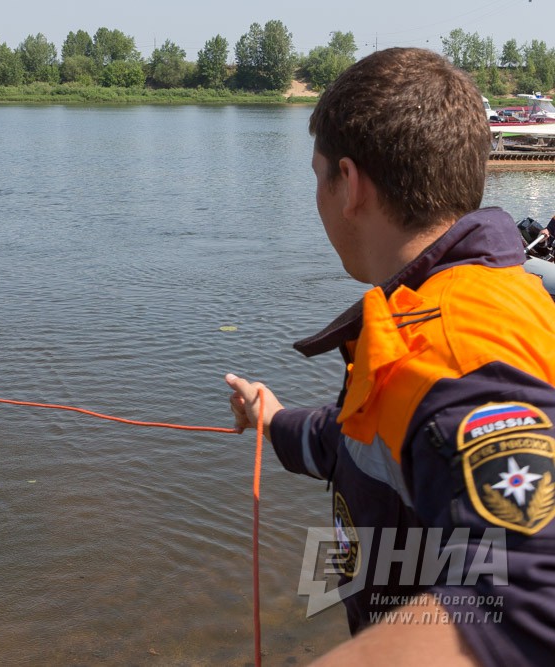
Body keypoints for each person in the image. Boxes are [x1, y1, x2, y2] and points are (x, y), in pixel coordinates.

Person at [226, 47, 555, 666]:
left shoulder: (453, 349)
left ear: (350, 184)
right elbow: (367, 441)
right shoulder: (474, 298)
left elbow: (537, 599)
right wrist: (272, 418)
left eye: (318, 175)